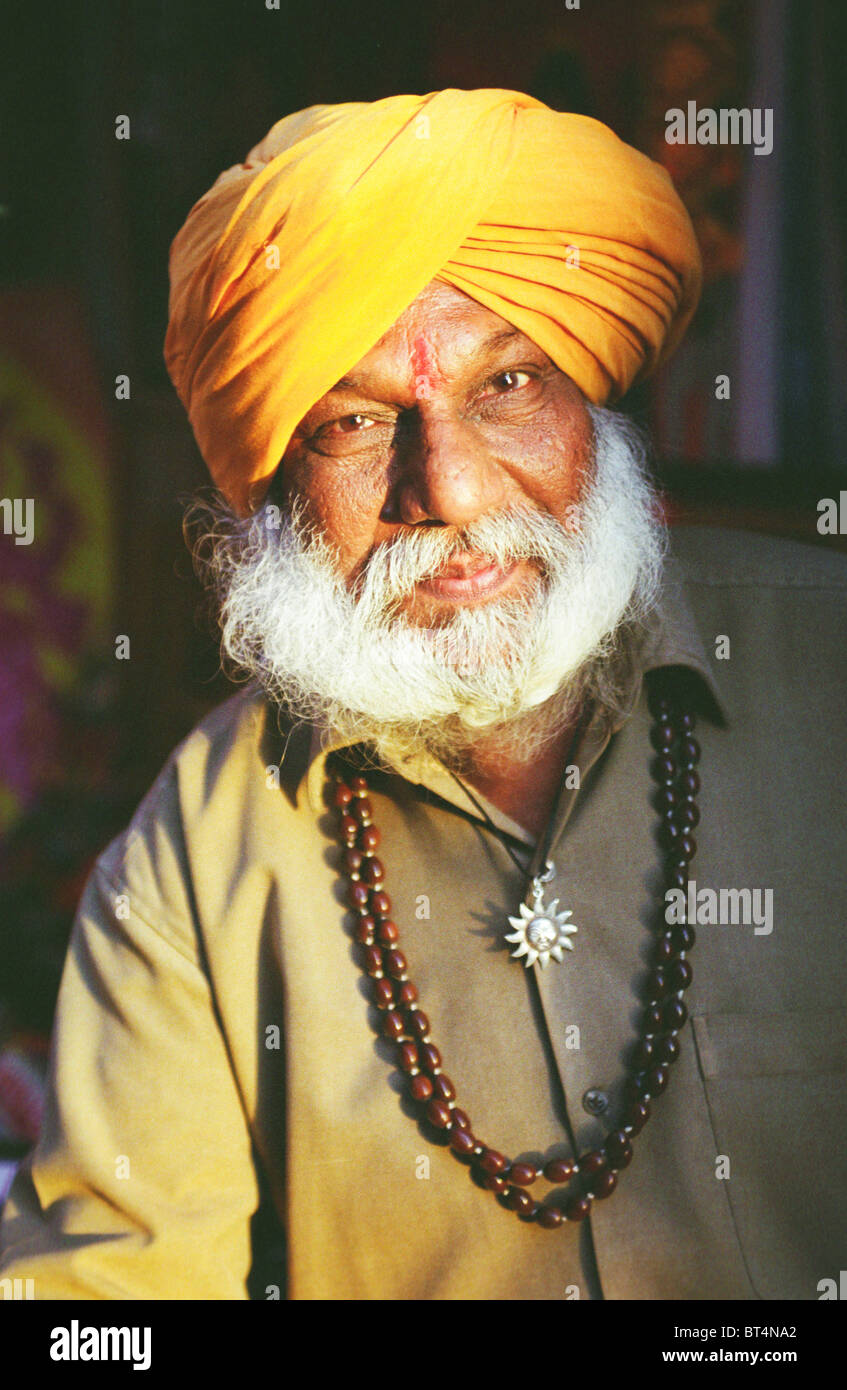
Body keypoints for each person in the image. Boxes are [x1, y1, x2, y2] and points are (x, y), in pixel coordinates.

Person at [1, 90, 845, 1302]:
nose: (446, 489)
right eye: (353, 420)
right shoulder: (196, 852)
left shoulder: (831, 666)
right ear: (274, 487)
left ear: (593, 412)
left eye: (506, 386)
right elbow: (102, 1304)